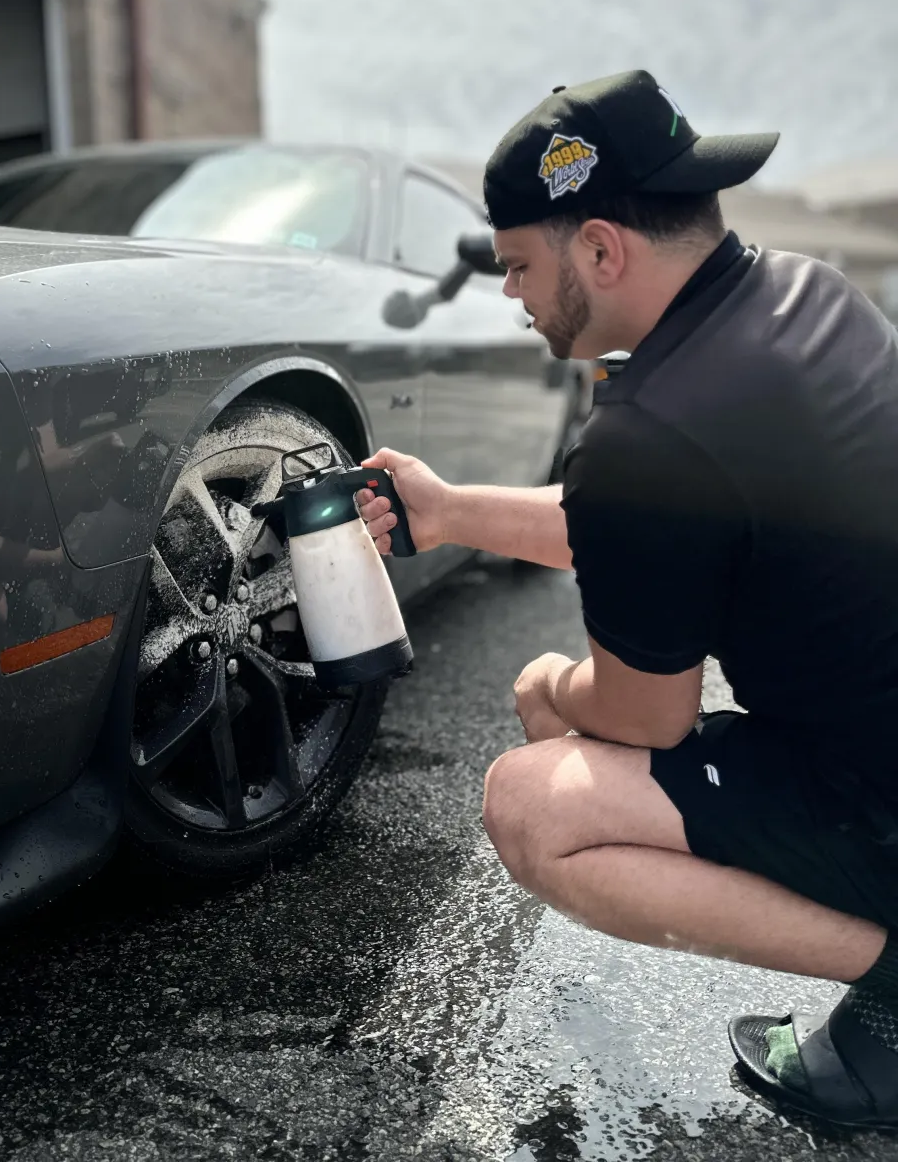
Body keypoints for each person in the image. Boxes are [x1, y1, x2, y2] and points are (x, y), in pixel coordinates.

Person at [355, 68, 898, 1129]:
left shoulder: (650, 436)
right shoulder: (810, 295)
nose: (510, 293)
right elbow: (667, 522)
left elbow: (652, 714)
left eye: (518, 265)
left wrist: (552, 685)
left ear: (602, 250)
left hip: (879, 795)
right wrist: (451, 509)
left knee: (532, 801)